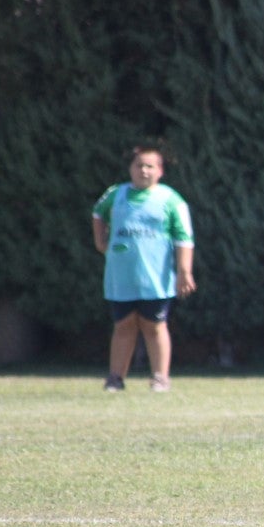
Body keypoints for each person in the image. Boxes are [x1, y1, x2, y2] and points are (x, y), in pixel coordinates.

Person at [91, 145, 196, 392]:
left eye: (150, 166)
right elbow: (97, 213)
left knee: (154, 326)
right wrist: (100, 241)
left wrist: (184, 271)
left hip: (155, 277)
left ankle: (160, 377)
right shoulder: (115, 195)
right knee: (123, 326)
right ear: (130, 169)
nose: (144, 171)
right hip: (121, 276)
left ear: (160, 171)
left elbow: (184, 237)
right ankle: (116, 378)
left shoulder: (170, 200)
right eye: (139, 165)